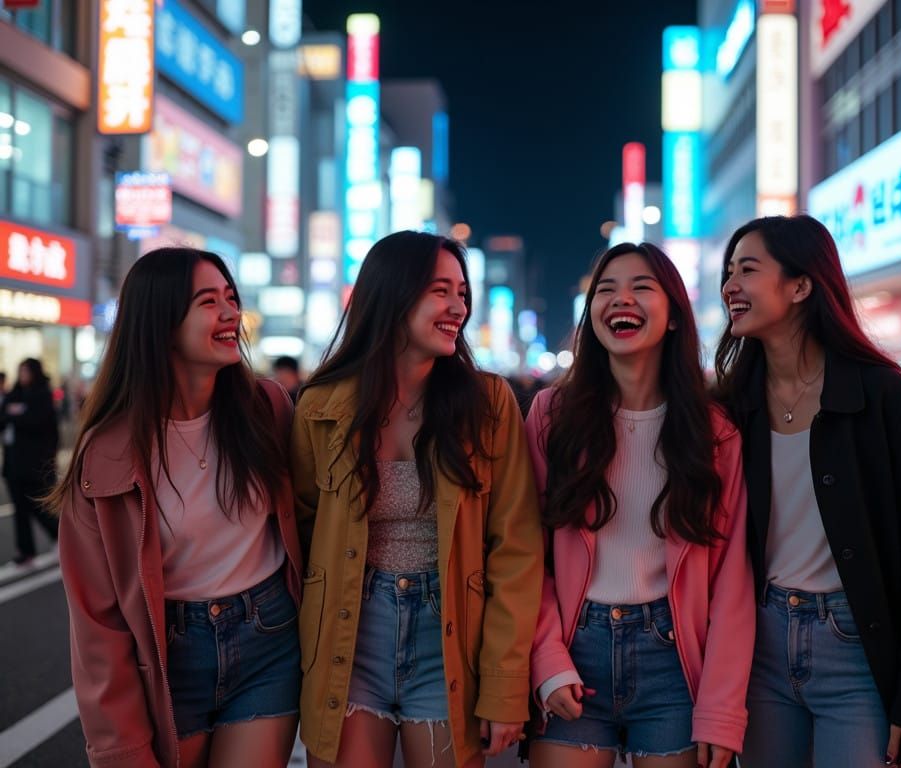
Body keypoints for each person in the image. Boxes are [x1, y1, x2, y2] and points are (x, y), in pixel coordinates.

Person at [715, 215, 901, 768]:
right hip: (759, 645)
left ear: (802, 285)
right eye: (728, 271)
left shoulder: (884, 398)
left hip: (855, 651)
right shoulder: (733, 407)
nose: (729, 285)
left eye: (748, 269)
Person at [292, 230, 543, 768]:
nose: (459, 306)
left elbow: (516, 546)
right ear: (393, 294)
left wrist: (503, 683)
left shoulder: (489, 402)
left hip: (447, 633)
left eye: (462, 292)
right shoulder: (320, 406)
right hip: (348, 636)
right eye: (440, 290)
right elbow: (301, 531)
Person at [49, 248, 304, 768]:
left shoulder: (268, 408)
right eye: (209, 302)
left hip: (268, 640)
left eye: (231, 298)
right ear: (162, 325)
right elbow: (97, 623)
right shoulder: (106, 451)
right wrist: (120, 747)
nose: (232, 313)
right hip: (167, 658)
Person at [526, 242, 753, 768]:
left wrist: (720, 710)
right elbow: (523, 554)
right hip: (573, 658)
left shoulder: (715, 433)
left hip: (675, 662)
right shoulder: (549, 416)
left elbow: (732, 585)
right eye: (606, 290)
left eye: (641, 287)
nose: (619, 299)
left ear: (674, 315)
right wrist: (547, 661)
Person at [1, 358, 60, 565]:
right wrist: (15, 412)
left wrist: (15, 414)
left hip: (34, 463)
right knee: (20, 508)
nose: (23, 375)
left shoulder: (42, 395)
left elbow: (38, 423)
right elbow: (4, 415)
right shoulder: (15, 394)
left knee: (38, 504)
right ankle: (26, 551)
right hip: (12, 463)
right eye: (21, 371)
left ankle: (59, 537)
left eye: (26, 371)